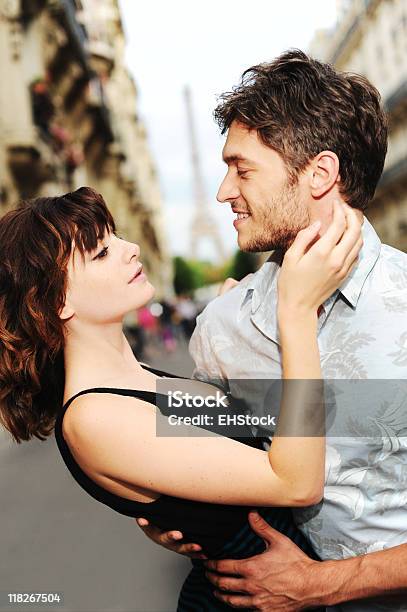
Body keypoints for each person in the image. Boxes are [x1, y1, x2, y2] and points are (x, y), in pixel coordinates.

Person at [0, 187, 361, 611]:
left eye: (115, 236)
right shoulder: (94, 417)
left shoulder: (136, 378)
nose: (131, 249)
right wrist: (295, 313)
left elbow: (264, 430)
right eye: (100, 252)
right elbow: (295, 482)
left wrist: (239, 343)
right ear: (56, 301)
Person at [135, 50, 407, 611]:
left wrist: (319, 584)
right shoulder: (220, 329)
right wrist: (179, 513)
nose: (222, 192)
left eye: (242, 168)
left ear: (319, 174)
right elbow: (217, 457)